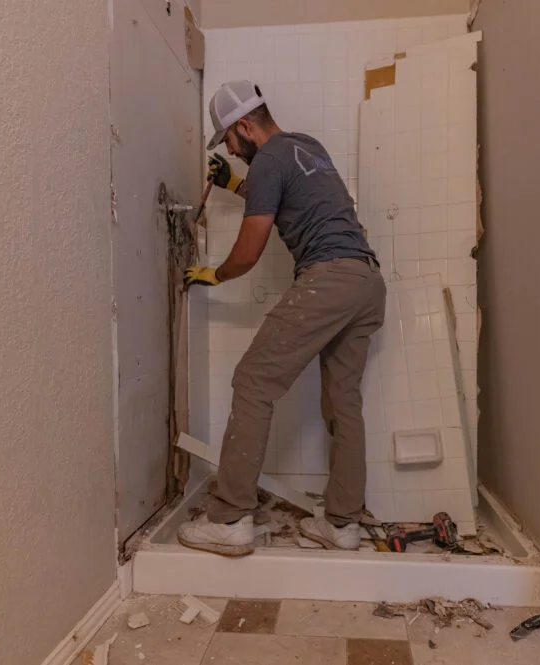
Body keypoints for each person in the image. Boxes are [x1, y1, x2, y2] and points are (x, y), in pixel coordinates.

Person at [179, 80, 386, 557]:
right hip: (366, 281)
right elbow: (275, 188)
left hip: (329, 277)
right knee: (342, 402)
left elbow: (249, 252)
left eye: (229, 141)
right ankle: (342, 525)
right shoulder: (306, 148)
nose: (230, 151)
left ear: (244, 127)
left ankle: (229, 518)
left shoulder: (268, 159)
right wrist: (233, 184)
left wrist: (214, 274)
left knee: (253, 381)